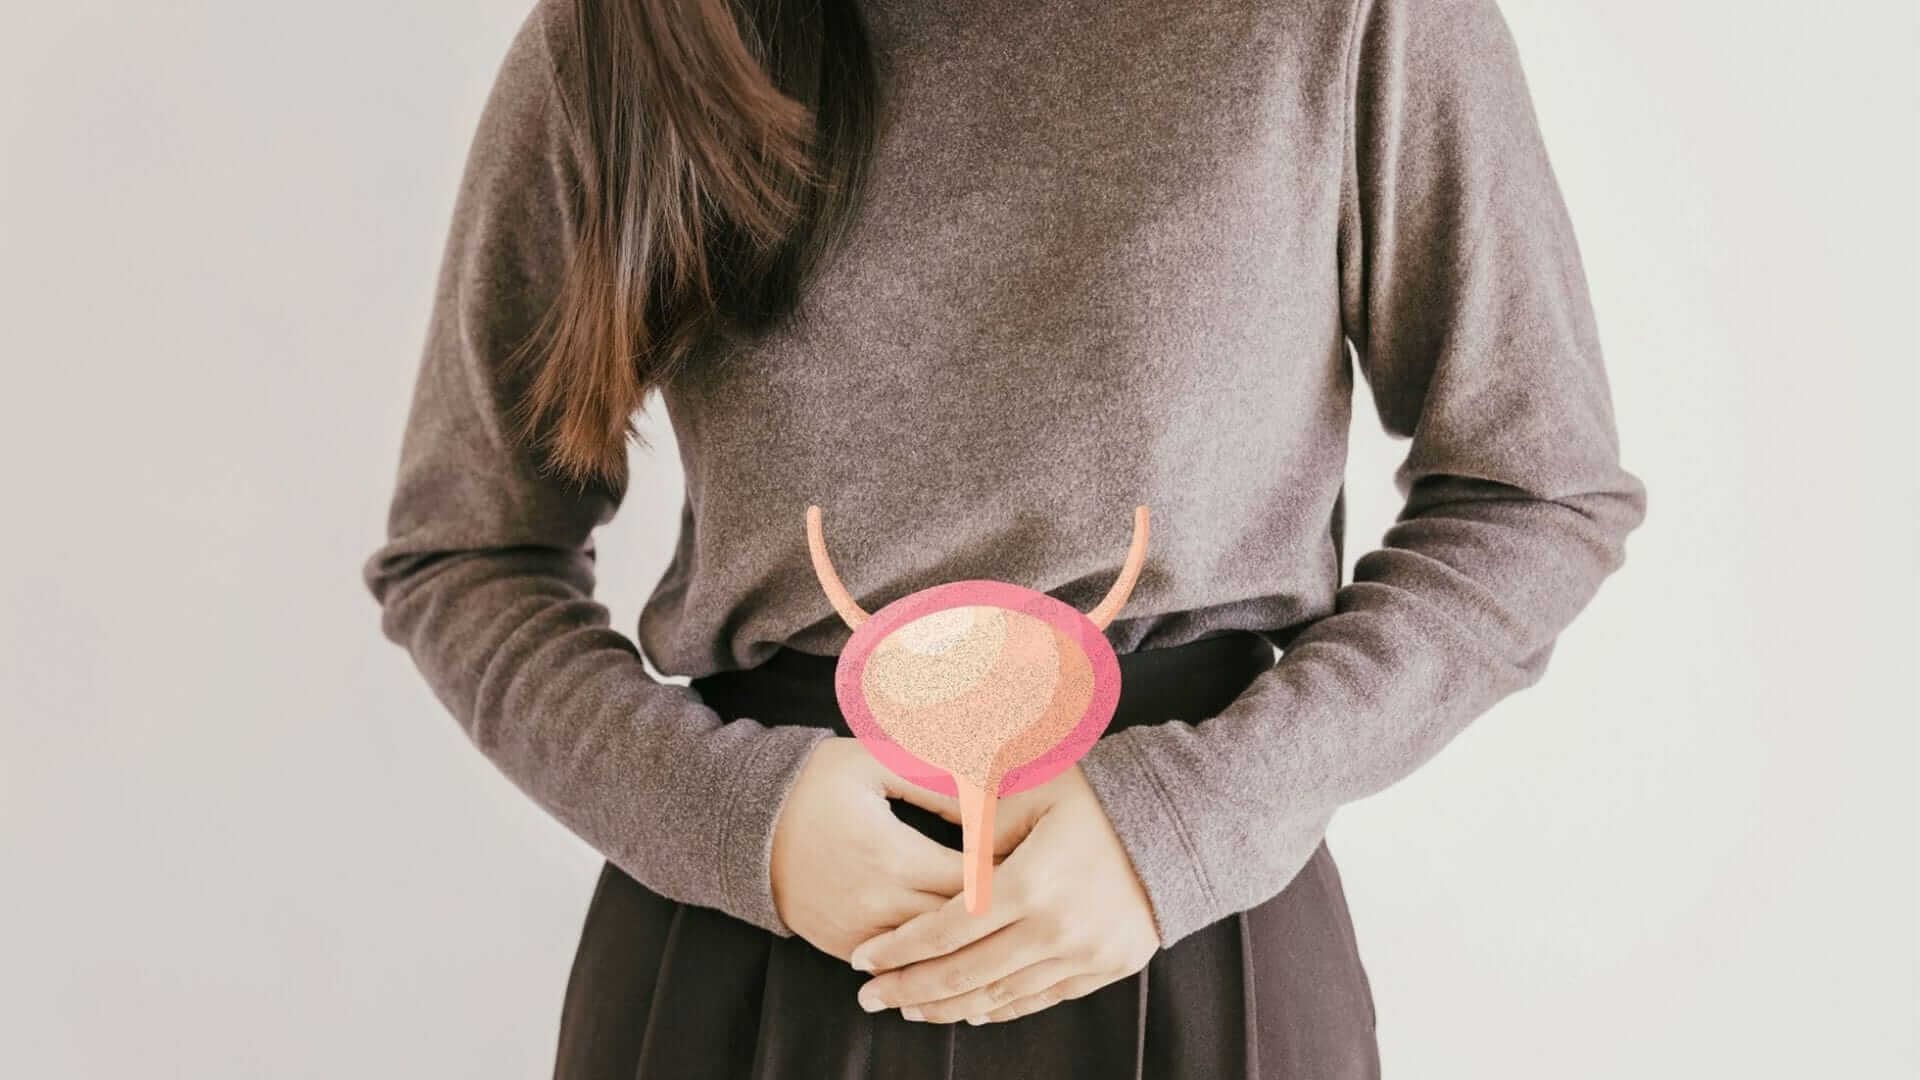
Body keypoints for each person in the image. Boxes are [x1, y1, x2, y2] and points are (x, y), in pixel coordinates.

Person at [361, 0, 1647, 1075]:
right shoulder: (635, 30)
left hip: (1188, 943)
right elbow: (462, 552)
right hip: (748, 950)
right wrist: (732, 816)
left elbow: (1538, 491)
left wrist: (1196, 817)